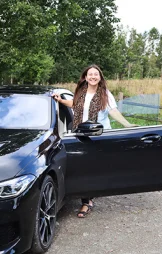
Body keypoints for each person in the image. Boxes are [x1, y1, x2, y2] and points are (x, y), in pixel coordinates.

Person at [52, 64, 138, 218]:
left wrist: (127, 125)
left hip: (99, 135)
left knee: (92, 168)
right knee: (83, 167)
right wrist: (61, 101)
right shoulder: (80, 92)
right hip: (81, 134)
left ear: (100, 77)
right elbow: (75, 105)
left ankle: (87, 201)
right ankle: (87, 197)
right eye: (90, 74)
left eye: (95, 74)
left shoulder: (105, 94)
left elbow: (113, 111)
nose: (93, 77)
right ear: (85, 77)